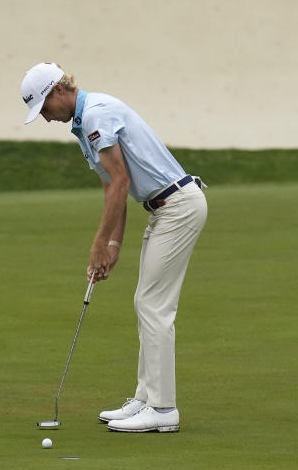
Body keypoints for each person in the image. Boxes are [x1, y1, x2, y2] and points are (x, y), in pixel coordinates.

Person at [20, 62, 208, 433]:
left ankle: (163, 408)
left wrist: (97, 245)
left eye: (44, 108)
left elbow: (120, 182)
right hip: (164, 209)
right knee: (147, 302)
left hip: (178, 207)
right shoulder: (85, 123)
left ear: (59, 90)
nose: (44, 118)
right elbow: (113, 187)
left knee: (153, 304)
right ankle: (145, 398)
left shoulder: (95, 115)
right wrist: (113, 244)